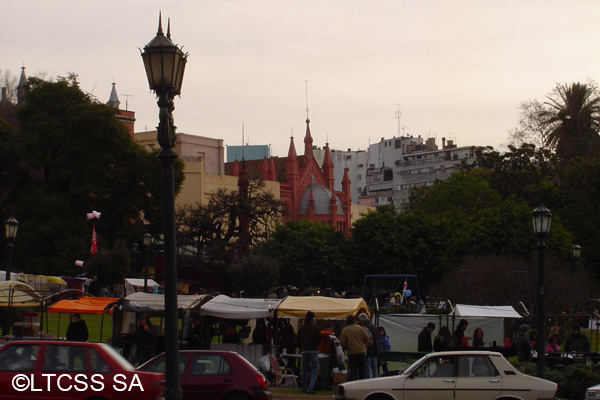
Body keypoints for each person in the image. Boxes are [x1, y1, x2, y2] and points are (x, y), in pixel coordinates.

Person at [296, 311, 321, 394]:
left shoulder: (301, 328)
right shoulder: (316, 327)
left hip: (304, 351)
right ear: (312, 318)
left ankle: (304, 388)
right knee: (314, 371)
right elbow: (320, 339)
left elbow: (298, 341)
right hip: (313, 350)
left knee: (304, 371)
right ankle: (310, 389)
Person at [340, 314, 370, 381]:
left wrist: (346, 347)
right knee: (362, 369)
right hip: (361, 351)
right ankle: (362, 382)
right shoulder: (360, 328)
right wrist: (363, 344)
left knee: (352, 370)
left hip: (351, 352)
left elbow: (342, 342)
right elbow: (367, 338)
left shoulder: (345, 330)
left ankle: (353, 382)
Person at [359, 313, 379, 378]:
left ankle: (368, 380)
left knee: (367, 367)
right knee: (374, 367)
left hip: (367, 350)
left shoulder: (363, 328)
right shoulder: (374, 326)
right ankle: (375, 380)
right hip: (375, 349)